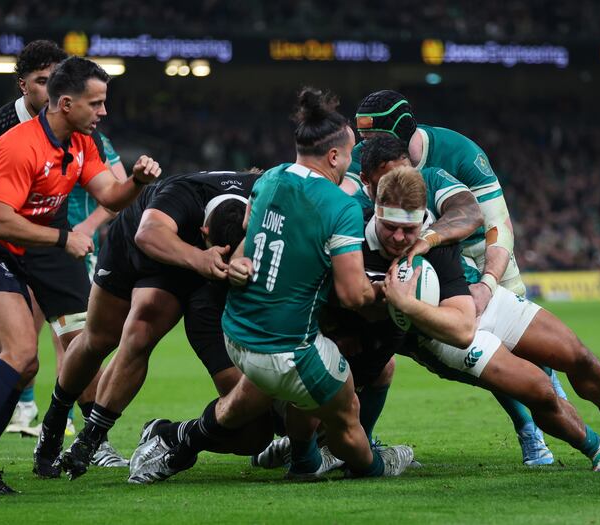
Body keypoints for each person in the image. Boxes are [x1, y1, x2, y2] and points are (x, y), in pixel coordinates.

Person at [127, 87, 416, 485]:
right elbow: (352, 295)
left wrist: (240, 261)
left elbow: (249, 239)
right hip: (288, 349)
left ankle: (184, 445)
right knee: (346, 414)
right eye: (348, 155)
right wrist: (388, 292)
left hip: (238, 333)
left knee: (259, 398)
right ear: (334, 157)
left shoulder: (268, 181)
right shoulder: (340, 206)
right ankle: (375, 464)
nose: (349, 163)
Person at [0, 56, 161, 496]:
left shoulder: (81, 142)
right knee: (23, 354)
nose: (104, 112)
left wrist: (135, 180)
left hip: (38, 247)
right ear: (65, 103)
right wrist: (64, 239)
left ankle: (64, 436)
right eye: (96, 104)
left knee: (89, 340)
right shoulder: (18, 146)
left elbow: (110, 195)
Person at [357, 162, 600, 472]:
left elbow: (463, 313)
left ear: (422, 218)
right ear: (376, 210)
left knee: (576, 354)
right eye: (390, 226)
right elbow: (460, 334)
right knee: (540, 390)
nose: (398, 237)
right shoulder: (355, 244)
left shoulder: (433, 234)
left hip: (473, 302)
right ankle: (595, 448)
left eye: (409, 229)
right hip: (441, 337)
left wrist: (409, 296)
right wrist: (404, 305)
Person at [347, 91, 567, 465]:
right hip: (421, 249)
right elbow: (346, 196)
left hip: (485, 254)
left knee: (528, 348)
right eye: (362, 140)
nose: (364, 148)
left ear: (400, 131)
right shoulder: (368, 158)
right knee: (478, 350)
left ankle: (550, 419)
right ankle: (528, 428)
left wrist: (487, 283)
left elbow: (497, 222)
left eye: (373, 138)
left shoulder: (459, 151)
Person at [34, 169, 272, 480]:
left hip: (190, 263)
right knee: (99, 339)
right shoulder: (183, 195)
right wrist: (201, 260)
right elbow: (147, 234)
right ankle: (53, 425)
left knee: (143, 329)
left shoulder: (264, 199)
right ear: (203, 232)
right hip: (137, 243)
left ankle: (90, 437)